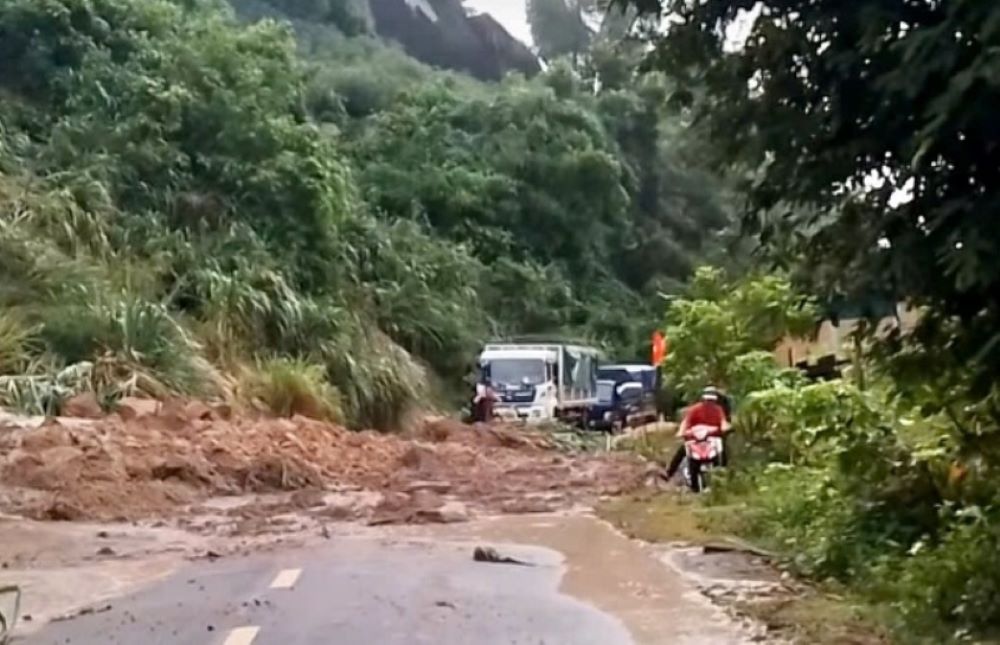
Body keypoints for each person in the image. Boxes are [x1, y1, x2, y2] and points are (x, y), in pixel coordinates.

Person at [664, 386, 731, 481]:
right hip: (695, 437)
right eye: (707, 400)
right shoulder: (695, 409)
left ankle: (724, 474)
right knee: (682, 450)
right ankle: (669, 473)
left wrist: (724, 428)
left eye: (711, 400)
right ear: (703, 399)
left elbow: (723, 422)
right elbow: (686, 422)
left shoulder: (718, 410)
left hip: (712, 437)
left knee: (723, 450)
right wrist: (682, 432)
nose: (709, 403)